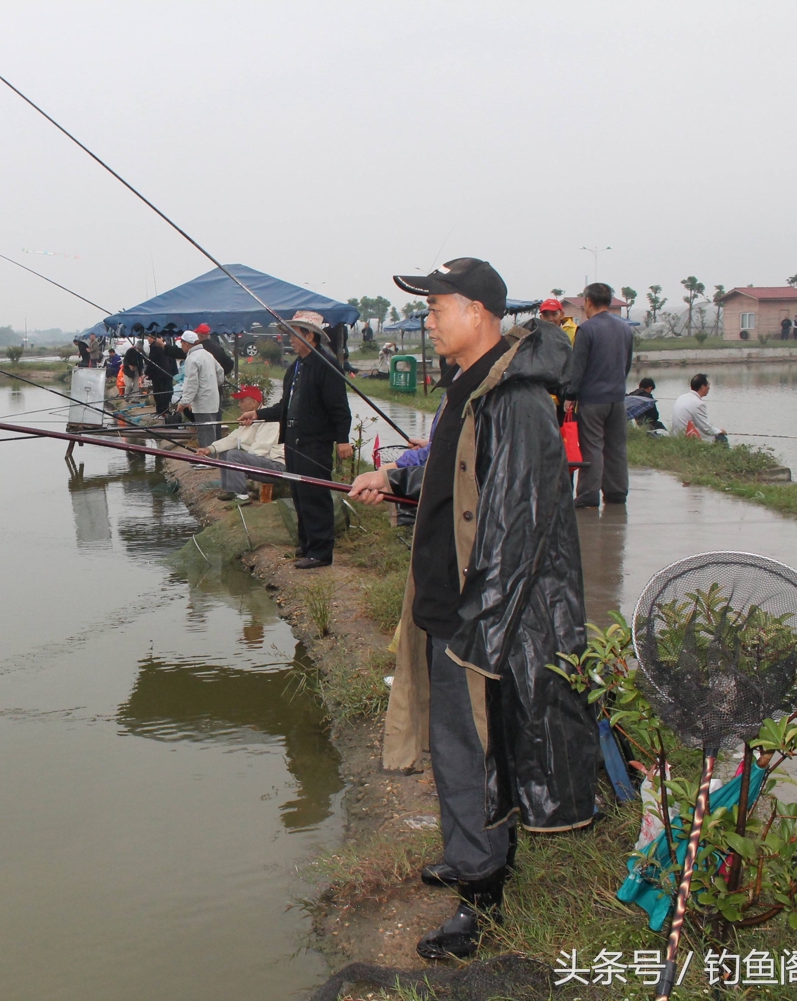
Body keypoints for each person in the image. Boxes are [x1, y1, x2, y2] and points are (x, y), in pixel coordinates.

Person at [349, 258, 599, 961]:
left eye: (438, 307)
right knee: (458, 749)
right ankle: (469, 850)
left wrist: (475, 631)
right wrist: (395, 472)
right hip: (443, 601)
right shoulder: (471, 386)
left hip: (476, 618)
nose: (428, 320)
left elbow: (519, 528)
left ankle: (482, 895)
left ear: (479, 313)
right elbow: (452, 461)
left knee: (472, 751)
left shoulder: (516, 400)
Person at [242, 309, 354, 569]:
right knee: (300, 495)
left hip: (315, 443)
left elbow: (340, 407)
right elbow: (285, 405)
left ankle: (321, 552)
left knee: (315, 495)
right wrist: (256, 413)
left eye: (294, 334)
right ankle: (306, 545)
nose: (289, 339)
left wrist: (343, 440)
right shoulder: (296, 367)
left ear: (310, 336)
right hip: (294, 440)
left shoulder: (325, 365)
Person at [565, 282, 635, 508]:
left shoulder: (586, 329)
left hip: (592, 400)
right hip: (617, 398)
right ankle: (616, 492)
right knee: (616, 447)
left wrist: (571, 395)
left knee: (592, 447)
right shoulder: (625, 328)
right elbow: (627, 364)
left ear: (588, 301)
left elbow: (578, 367)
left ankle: (588, 494)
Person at [196, 385, 283, 500]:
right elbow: (232, 439)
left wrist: (242, 463)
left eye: (242, 401)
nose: (239, 404)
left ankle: (242, 495)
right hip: (263, 462)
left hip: (276, 467)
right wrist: (210, 449)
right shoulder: (249, 419)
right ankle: (231, 490)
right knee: (225, 452)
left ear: (253, 402)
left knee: (233, 455)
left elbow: (261, 449)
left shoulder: (269, 419)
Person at [177, 329, 222, 447]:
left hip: (202, 402)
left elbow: (191, 383)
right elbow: (220, 373)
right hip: (213, 399)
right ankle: (210, 458)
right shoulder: (208, 354)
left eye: (181, 343)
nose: (181, 346)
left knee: (204, 431)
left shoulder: (192, 358)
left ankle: (207, 460)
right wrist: (211, 384)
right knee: (210, 430)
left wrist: (184, 402)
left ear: (186, 343)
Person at [670, 373, 726, 443]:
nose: (709, 387)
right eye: (708, 385)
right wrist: (720, 431)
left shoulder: (681, 397)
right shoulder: (698, 403)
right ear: (703, 387)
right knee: (722, 438)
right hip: (686, 438)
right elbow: (706, 428)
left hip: (676, 436)